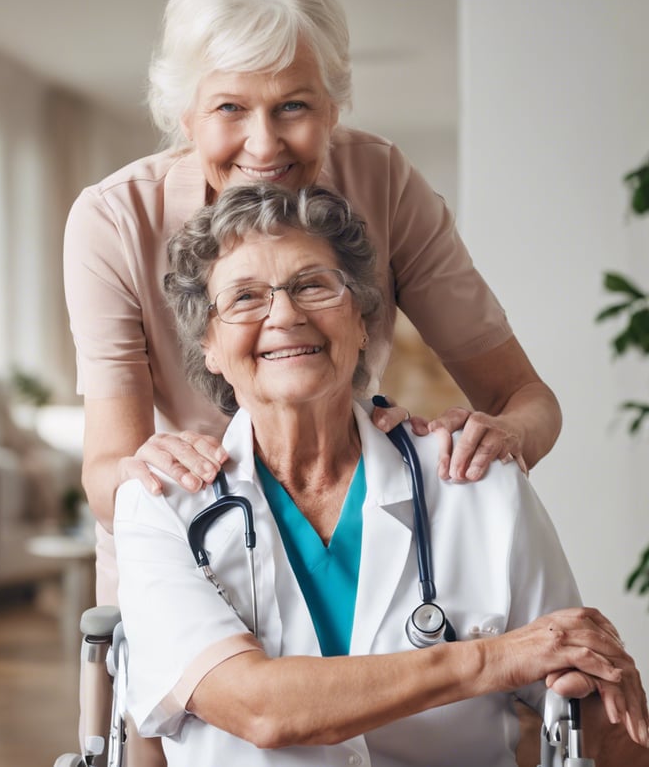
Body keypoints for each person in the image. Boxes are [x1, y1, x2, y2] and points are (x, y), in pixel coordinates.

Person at [64, 0, 562, 606]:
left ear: (333, 106)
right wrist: (140, 473)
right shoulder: (114, 220)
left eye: (293, 106)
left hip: (353, 525)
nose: (265, 145)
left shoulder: (384, 183)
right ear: (185, 116)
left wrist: (507, 436)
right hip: (191, 545)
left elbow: (527, 399)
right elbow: (106, 470)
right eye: (230, 109)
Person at [112, 182, 647, 766]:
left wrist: (594, 690)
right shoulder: (161, 506)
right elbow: (257, 708)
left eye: (313, 285)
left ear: (364, 320)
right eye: (244, 297)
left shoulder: (478, 484)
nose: (285, 315)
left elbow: (582, 696)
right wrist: (491, 658)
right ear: (209, 346)